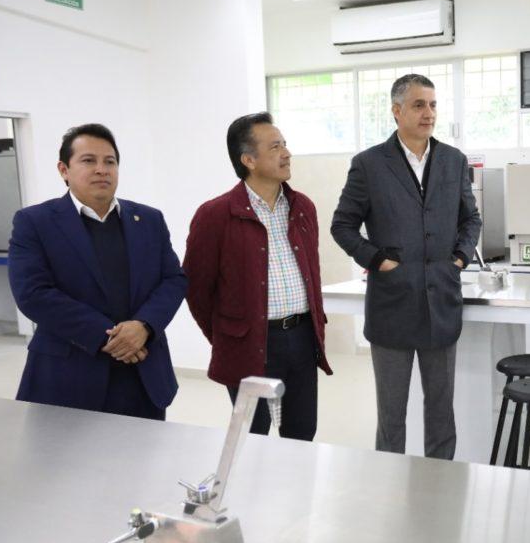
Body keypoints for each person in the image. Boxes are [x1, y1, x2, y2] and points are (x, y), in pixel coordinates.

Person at [331, 74, 482, 460]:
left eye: (432, 105)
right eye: (418, 105)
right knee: (392, 415)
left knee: (441, 412)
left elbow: (471, 219)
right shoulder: (368, 164)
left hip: (441, 302)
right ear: (396, 111)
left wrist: (460, 258)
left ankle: (441, 480)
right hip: (392, 305)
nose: (428, 113)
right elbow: (342, 226)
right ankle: (388, 481)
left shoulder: (453, 160)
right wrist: (377, 260)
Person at [8, 123, 186, 420]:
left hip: (142, 373)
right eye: (88, 160)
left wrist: (143, 326)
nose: (102, 170)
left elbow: (173, 280)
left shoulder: (149, 220)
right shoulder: (35, 222)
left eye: (110, 162)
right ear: (64, 170)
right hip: (68, 377)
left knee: (143, 450)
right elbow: (33, 294)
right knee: (65, 452)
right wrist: (112, 338)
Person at [184, 113, 330, 440]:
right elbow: (196, 290)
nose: (287, 153)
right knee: (253, 438)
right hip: (250, 343)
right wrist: (230, 336)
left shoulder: (303, 207)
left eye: (285, 144)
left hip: (302, 337)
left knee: (302, 434)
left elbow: (312, 273)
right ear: (248, 160)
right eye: (275, 147)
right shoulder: (215, 215)